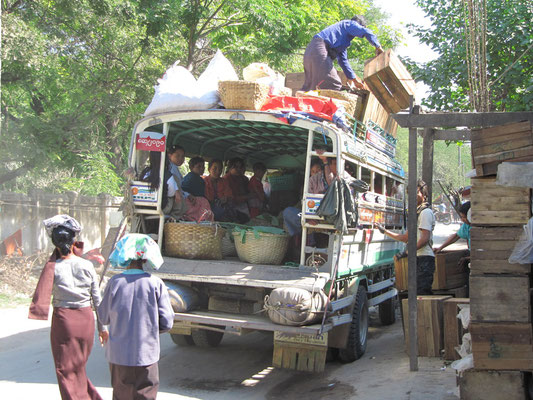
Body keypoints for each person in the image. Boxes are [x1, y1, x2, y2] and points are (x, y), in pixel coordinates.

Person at [29, 215, 107, 400]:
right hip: (86, 320)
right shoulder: (87, 265)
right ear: (74, 241)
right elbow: (97, 298)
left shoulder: (53, 266)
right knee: (77, 369)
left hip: (65, 321)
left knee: (65, 370)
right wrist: (103, 328)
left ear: (54, 243)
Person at [98, 233, 174, 400]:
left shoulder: (114, 283)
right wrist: (149, 329)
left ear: (122, 256)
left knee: (121, 395)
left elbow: (103, 317)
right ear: (145, 259)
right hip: (146, 354)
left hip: (118, 356)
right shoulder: (155, 283)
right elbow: (167, 322)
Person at [378, 179, 436, 295]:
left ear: (424, 194)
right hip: (418, 258)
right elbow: (406, 238)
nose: (413, 197)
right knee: (416, 294)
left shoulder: (425, 213)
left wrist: (408, 252)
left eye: (416, 193)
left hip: (424, 258)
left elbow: (424, 239)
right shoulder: (417, 213)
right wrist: (385, 232)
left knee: (422, 293)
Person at [302, 15, 384, 92]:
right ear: (359, 25)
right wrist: (378, 46)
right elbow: (367, 32)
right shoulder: (350, 24)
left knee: (310, 87)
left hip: (310, 51)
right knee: (334, 85)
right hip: (319, 49)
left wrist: (354, 80)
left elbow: (343, 61)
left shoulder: (342, 38)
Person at [224, 157, 252, 222]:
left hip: (243, 206)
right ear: (230, 167)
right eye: (236, 167)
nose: (238, 169)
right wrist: (248, 196)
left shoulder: (243, 178)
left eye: (240, 167)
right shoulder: (226, 179)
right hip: (231, 208)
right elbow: (231, 198)